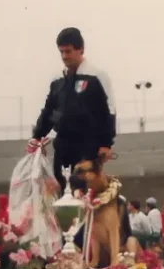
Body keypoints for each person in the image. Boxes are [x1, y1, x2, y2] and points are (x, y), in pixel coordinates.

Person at [29, 27, 116, 192]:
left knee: (85, 190)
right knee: (63, 188)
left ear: (81, 49)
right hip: (63, 144)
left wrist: (106, 143)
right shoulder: (58, 79)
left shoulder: (97, 76)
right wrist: (37, 136)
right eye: (61, 52)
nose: (64, 57)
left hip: (89, 144)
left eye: (68, 51)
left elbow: (109, 110)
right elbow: (49, 110)